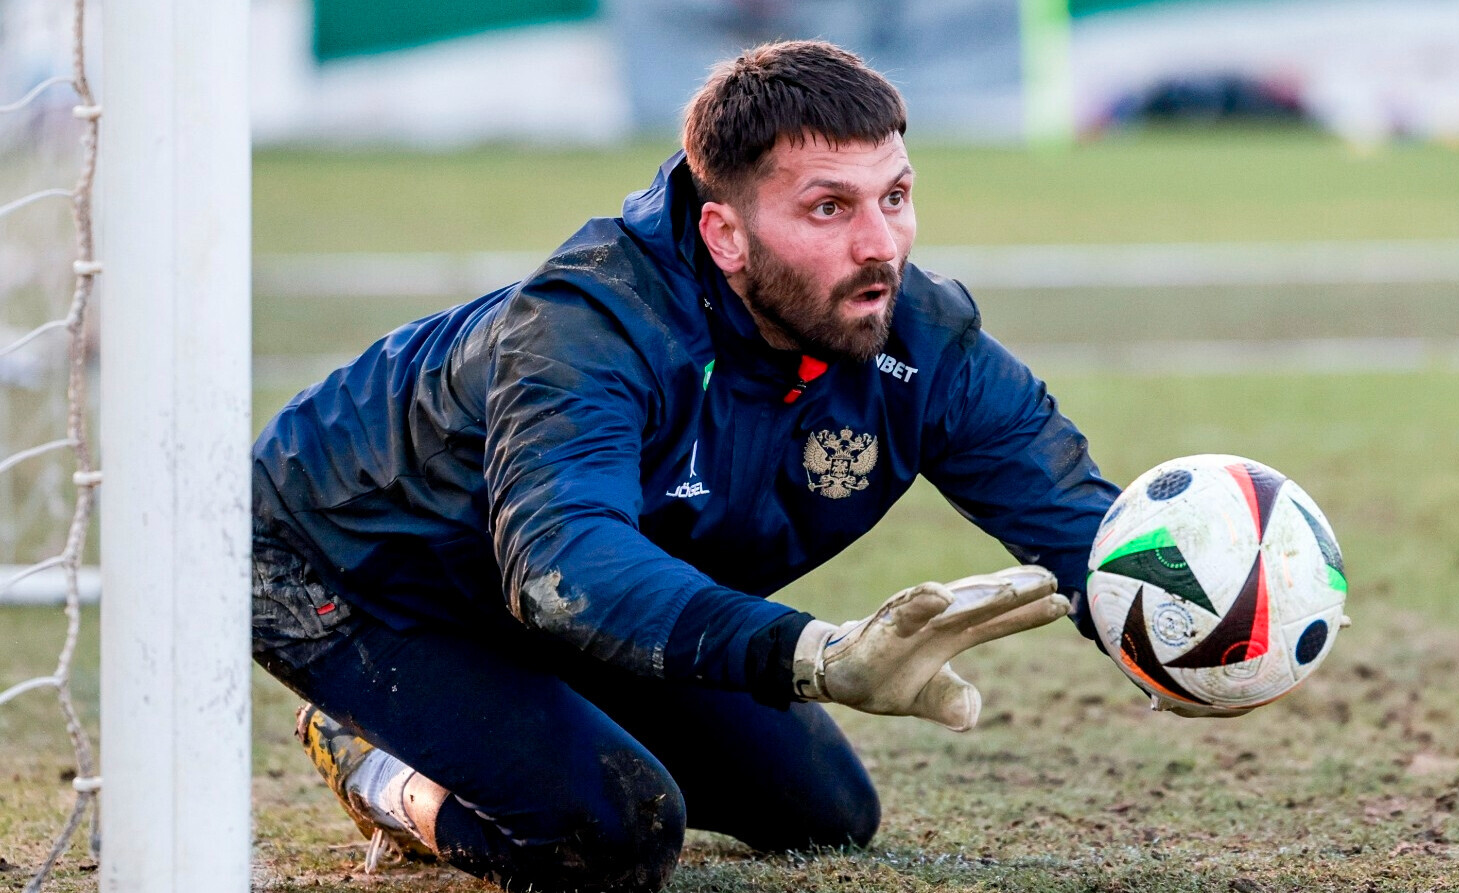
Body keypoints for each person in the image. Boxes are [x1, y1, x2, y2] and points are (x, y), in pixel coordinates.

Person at [252, 39, 1120, 893]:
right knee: (617, 834)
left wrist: (1180, 631)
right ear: (724, 233)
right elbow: (568, 571)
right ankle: (375, 763)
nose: (879, 245)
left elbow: (1083, 527)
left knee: (826, 813)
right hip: (349, 568)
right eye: (830, 208)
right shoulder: (589, 326)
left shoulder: (923, 339)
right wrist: (812, 653)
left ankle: (521, 714)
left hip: (536, 589)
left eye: (894, 196)